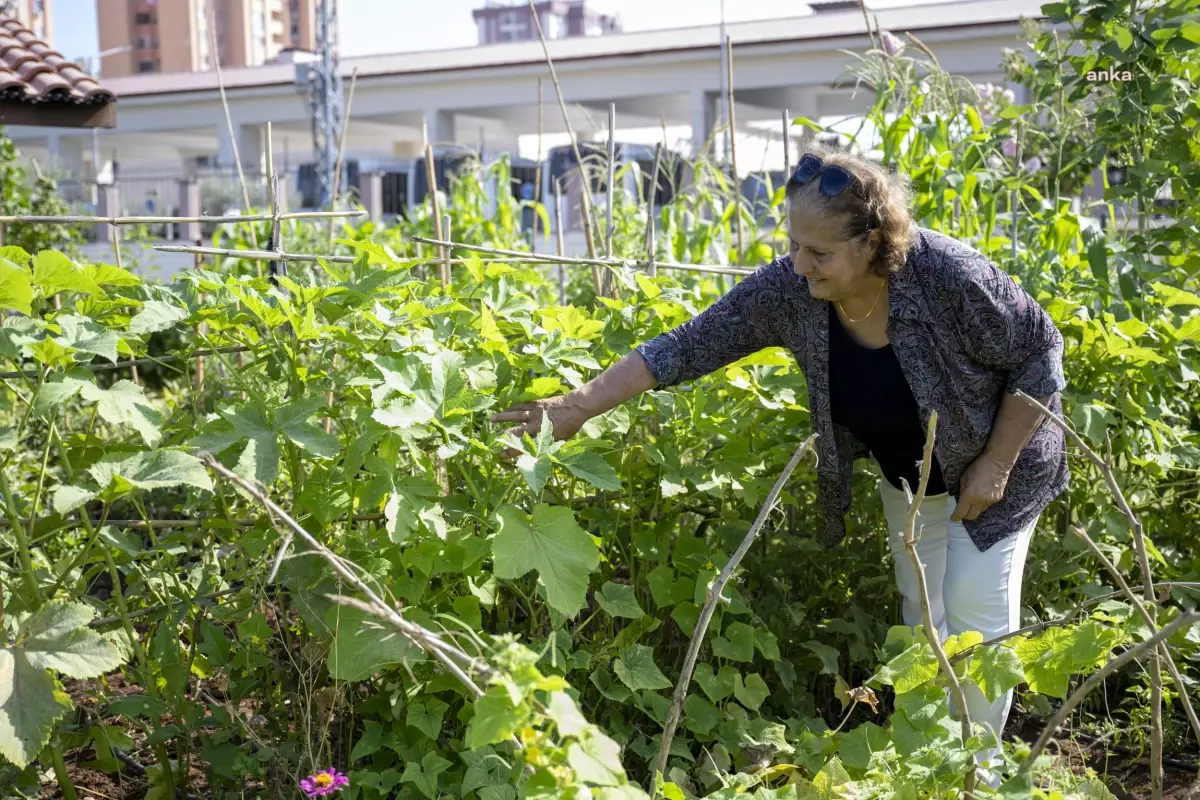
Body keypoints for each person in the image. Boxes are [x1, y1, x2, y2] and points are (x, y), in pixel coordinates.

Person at [490, 146, 1067, 779]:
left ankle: (977, 777)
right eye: (793, 245)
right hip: (911, 475)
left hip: (1000, 470)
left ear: (873, 243)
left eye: (818, 253)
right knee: (923, 612)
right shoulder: (794, 290)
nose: (799, 265)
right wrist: (579, 405)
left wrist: (997, 463)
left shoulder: (949, 277)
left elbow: (1040, 351)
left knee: (974, 621)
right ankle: (928, 764)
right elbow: (688, 344)